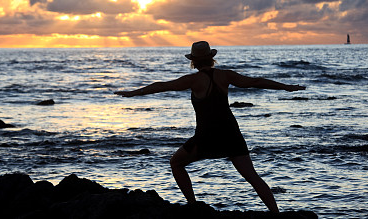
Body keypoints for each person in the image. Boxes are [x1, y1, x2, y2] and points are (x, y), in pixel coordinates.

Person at [115, 41, 305, 213]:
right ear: (211, 59)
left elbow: (161, 85)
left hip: (207, 136)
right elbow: (256, 81)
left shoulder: (194, 80)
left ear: (194, 62)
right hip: (231, 133)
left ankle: (193, 206)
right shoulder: (225, 75)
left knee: (176, 163)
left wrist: (133, 93)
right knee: (252, 177)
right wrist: (286, 87)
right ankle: (276, 215)